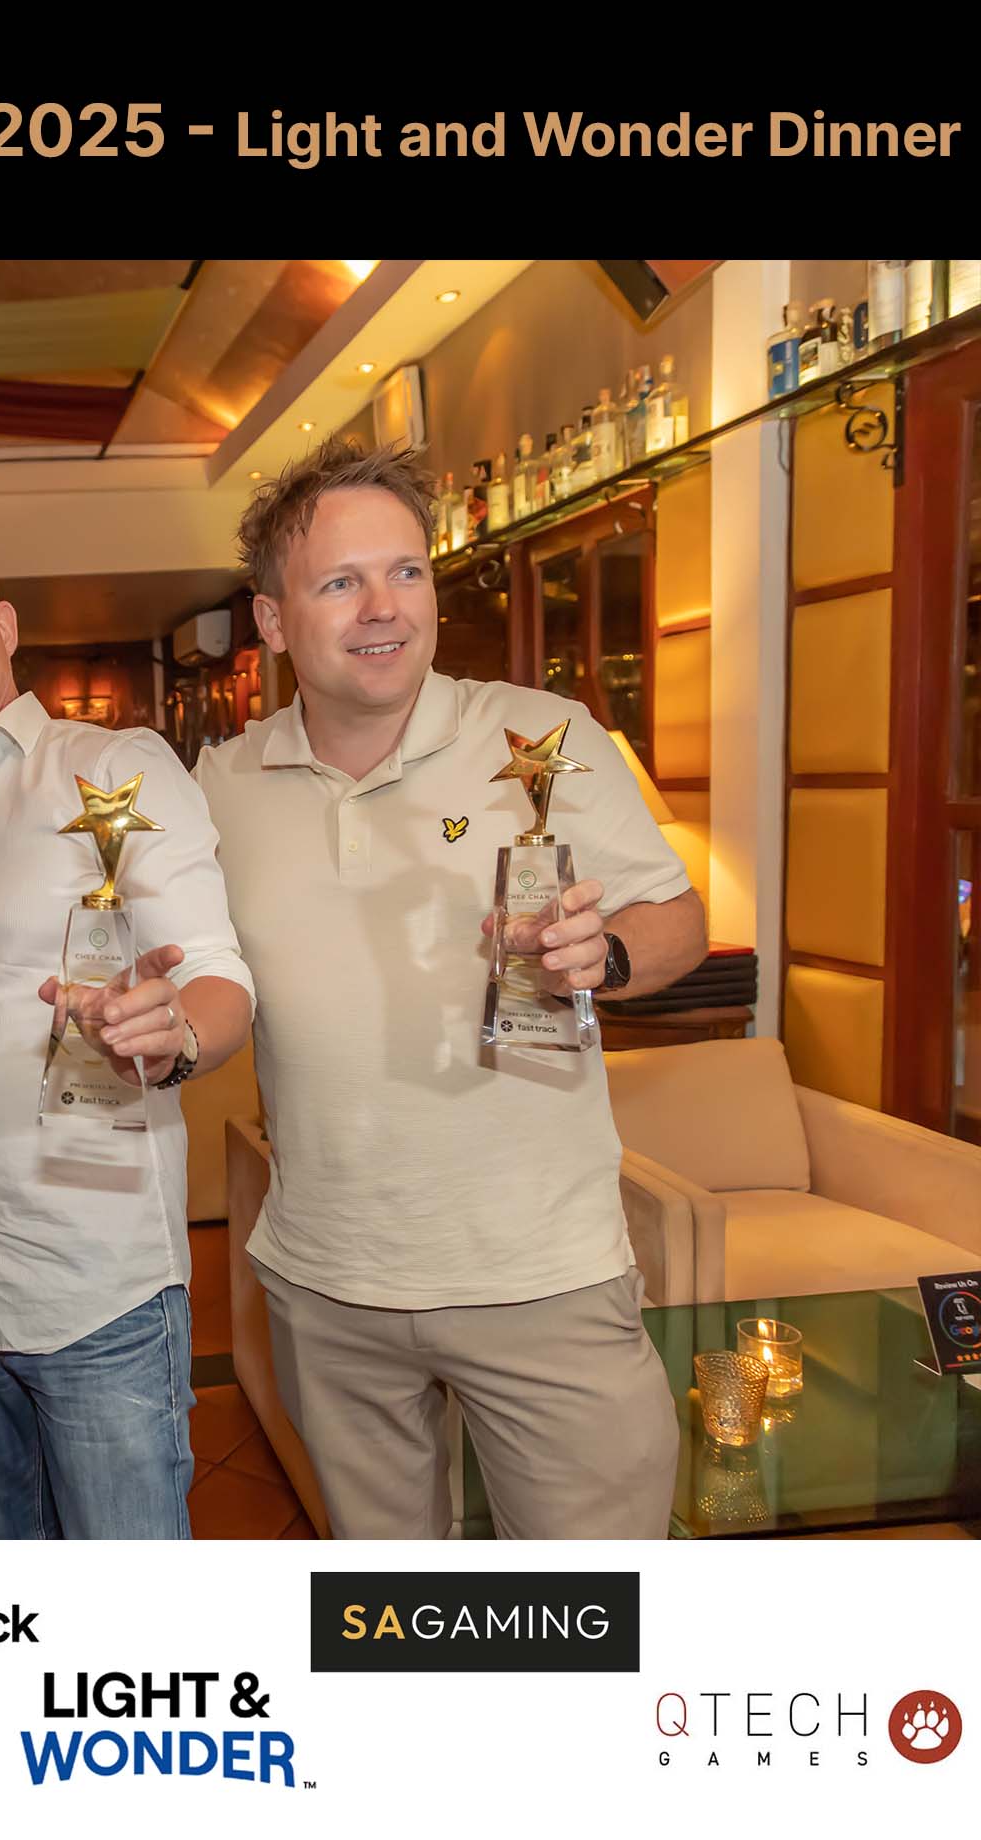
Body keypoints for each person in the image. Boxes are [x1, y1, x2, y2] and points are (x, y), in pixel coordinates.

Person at [194, 436, 705, 1539]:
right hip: (328, 1285)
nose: (385, 607)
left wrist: (607, 956)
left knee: (590, 1617)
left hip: (544, 1276)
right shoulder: (221, 784)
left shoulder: (543, 735)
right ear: (273, 620)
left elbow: (678, 921)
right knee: (398, 1612)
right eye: (341, 582)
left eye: (407, 572)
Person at [0, 519, 254, 1538]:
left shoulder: (112, 766)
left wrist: (174, 1035)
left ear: (4, 624)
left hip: (96, 1289)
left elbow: (217, 976)